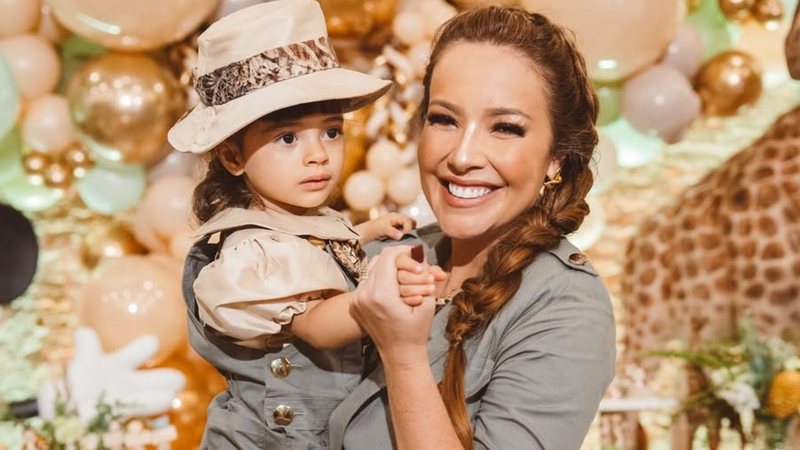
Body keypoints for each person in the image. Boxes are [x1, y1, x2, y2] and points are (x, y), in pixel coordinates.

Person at [334, 6, 616, 449]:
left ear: (556, 157)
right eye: (444, 119)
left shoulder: (566, 308)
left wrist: (404, 356)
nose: (462, 156)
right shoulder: (387, 254)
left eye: (505, 128)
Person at [168, 1, 435, 447]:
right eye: (288, 138)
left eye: (331, 131)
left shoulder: (295, 222)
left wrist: (365, 233)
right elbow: (313, 324)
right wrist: (373, 301)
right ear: (233, 156)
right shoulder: (251, 252)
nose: (318, 154)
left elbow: (316, 247)